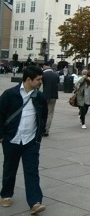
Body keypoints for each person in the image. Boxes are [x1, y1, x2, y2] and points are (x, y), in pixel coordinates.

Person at [0, 65, 48, 214]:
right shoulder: (10, 94)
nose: (41, 82)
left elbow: (43, 116)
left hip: (31, 141)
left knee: (32, 171)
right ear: (29, 79)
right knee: (10, 169)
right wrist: (2, 136)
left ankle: (35, 202)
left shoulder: (39, 97)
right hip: (12, 140)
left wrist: (38, 136)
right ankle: (6, 194)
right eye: (38, 79)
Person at [41, 62, 60, 137]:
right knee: (50, 113)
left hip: (44, 95)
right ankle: (46, 130)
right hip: (53, 96)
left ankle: (41, 128)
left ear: (44, 66)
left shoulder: (42, 75)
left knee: (42, 112)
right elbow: (58, 84)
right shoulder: (56, 74)